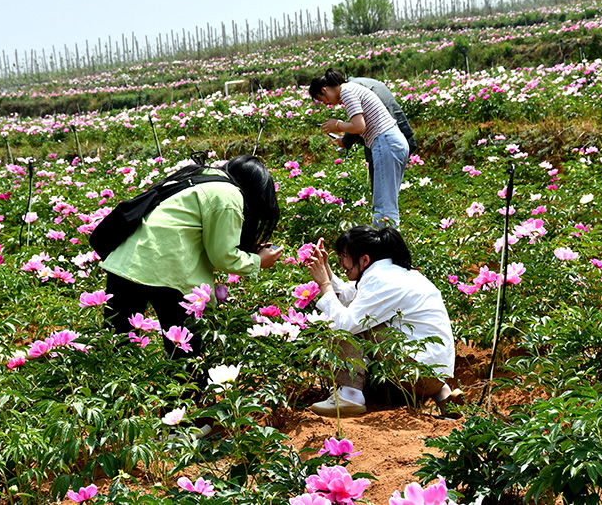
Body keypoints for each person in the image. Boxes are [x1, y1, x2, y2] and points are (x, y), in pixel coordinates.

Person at [100, 155, 283, 359]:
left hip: (126, 261)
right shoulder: (229, 194)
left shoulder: (200, 177)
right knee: (185, 354)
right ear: (254, 192)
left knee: (115, 347)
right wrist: (259, 261)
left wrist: (250, 248)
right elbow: (222, 257)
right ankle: (185, 391)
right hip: (168, 269)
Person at [305, 226, 463, 417]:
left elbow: (345, 324)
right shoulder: (393, 273)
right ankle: (443, 395)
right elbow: (351, 294)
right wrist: (327, 272)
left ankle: (350, 395)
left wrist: (324, 285)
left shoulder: (379, 279)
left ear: (365, 259)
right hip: (433, 376)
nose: (341, 263)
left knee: (355, 322)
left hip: (414, 374)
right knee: (362, 316)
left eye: (344, 256)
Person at [309, 68, 409, 227]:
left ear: (324, 90)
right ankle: (390, 243)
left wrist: (336, 125)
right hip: (393, 141)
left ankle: (387, 247)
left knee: (383, 206)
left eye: (322, 100)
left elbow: (359, 126)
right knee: (387, 202)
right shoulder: (352, 88)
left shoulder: (346, 92)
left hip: (385, 142)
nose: (326, 104)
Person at [338, 77, 417, 192]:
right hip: (398, 130)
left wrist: (345, 140)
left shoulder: (350, 89)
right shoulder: (367, 82)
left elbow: (360, 124)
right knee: (390, 190)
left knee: (381, 191)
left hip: (383, 137)